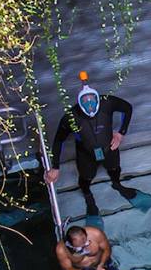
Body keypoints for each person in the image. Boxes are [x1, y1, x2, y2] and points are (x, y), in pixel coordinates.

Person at [47, 74, 134, 216]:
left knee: (114, 168)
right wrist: (55, 167)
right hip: (86, 153)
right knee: (86, 177)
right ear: (80, 105)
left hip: (110, 147)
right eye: (85, 104)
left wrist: (121, 133)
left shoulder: (107, 103)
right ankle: (88, 195)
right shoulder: (72, 116)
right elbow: (58, 140)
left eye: (92, 102)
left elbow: (127, 108)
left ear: (97, 99)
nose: (90, 107)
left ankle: (117, 184)